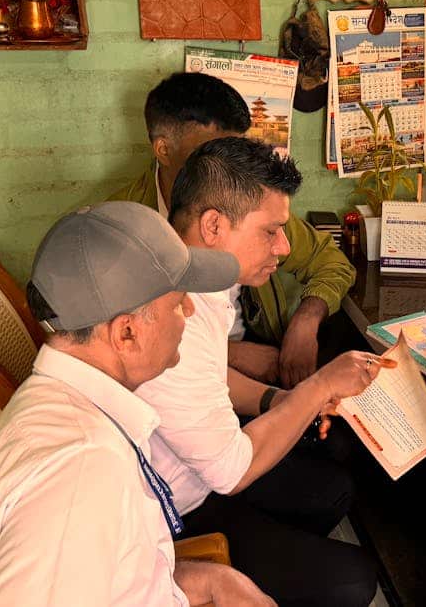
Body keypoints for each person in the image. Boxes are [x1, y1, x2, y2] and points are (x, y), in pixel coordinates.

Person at [0, 201, 274, 605]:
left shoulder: (70, 408)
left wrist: (212, 581)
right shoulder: (81, 468)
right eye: (178, 301)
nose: (190, 309)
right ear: (127, 333)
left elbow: (120, 579)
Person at [137, 136, 389, 607]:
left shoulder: (201, 276)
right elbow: (232, 472)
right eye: (271, 231)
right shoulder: (171, 316)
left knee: (334, 490)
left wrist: (279, 401)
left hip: (197, 467)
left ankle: (277, 556)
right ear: (213, 225)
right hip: (174, 509)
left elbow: (213, 379)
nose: (284, 245)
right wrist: (318, 387)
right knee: (353, 581)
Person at [109, 72, 356, 388]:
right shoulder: (118, 228)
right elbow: (117, 343)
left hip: (263, 369)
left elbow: (330, 262)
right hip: (177, 383)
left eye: (234, 150)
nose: (228, 166)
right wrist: (231, 353)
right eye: (211, 151)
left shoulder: (247, 202)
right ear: (163, 150)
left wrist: (305, 322)